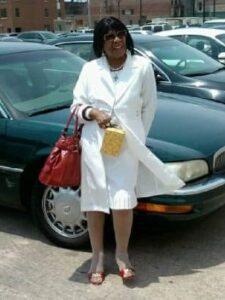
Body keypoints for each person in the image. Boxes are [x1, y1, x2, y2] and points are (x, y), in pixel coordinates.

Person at [71, 16, 185, 285]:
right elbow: (75, 107)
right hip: (95, 145)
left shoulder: (141, 67)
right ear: (101, 42)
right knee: (95, 202)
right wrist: (93, 112)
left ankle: (122, 255)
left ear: (127, 36)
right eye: (109, 37)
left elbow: (149, 107)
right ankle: (97, 255)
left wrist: (135, 137)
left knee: (123, 201)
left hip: (126, 145)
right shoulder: (89, 70)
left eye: (120, 34)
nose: (116, 40)